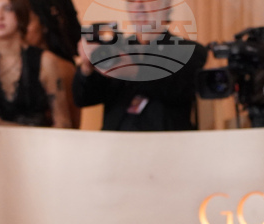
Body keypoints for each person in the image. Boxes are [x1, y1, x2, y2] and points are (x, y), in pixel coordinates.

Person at [74, 6, 207, 131]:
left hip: (167, 141)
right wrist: (87, 67)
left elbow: (179, 88)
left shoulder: (188, 51)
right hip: (116, 143)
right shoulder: (116, 49)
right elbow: (83, 99)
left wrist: (134, 71)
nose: (139, 6)